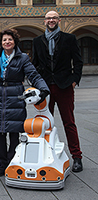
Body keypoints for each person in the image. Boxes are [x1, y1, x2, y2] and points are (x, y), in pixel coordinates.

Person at [0, 28, 49, 178]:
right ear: (1, 42)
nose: (7, 42)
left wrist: (43, 89)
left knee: (14, 132)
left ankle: (12, 161)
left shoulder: (22, 58)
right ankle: (2, 164)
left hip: (15, 96)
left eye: (10, 40)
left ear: (14, 42)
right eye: (4, 40)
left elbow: (33, 74)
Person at [32, 11, 83, 172]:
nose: (51, 20)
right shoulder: (37, 41)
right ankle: (47, 157)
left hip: (65, 86)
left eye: (54, 18)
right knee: (45, 124)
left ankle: (77, 157)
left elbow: (78, 61)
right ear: (44, 21)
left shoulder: (69, 38)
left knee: (69, 122)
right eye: (48, 18)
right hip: (45, 88)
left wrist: (74, 80)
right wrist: (36, 84)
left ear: (59, 20)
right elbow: (35, 64)